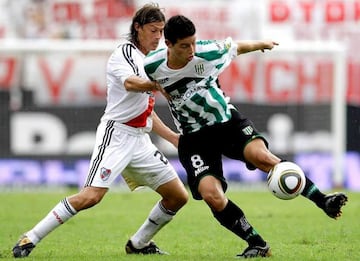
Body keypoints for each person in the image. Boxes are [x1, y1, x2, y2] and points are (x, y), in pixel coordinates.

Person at [144, 15, 348, 258]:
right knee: (212, 196)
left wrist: (262, 44)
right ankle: (257, 244)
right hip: (194, 138)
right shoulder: (151, 66)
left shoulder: (208, 52)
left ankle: (323, 200)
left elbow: (237, 47)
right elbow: (144, 88)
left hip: (226, 122)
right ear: (168, 44)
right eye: (184, 46)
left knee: (262, 157)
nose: (191, 50)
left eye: (194, 43)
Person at [12, 4, 188, 258]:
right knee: (91, 197)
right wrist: (157, 84)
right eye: (153, 30)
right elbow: (130, 83)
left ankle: (138, 244)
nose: (158, 37)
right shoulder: (124, 53)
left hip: (140, 140)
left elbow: (145, 107)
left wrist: (172, 137)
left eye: (161, 31)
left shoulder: (152, 58)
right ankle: (31, 237)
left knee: (177, 197)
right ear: (137, 28)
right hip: (116, 136)